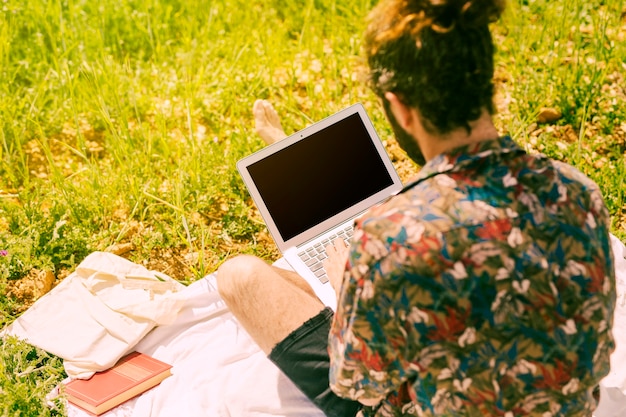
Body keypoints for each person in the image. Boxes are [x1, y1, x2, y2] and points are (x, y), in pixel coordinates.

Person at [216, 0, 617, 415]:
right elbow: (597, 348)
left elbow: (357, 385)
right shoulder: (577, 192)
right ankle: (287, 151)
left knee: (241, 276)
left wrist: (345, 288)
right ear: (488, 84)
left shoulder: (392, 236)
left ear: (401, 109)